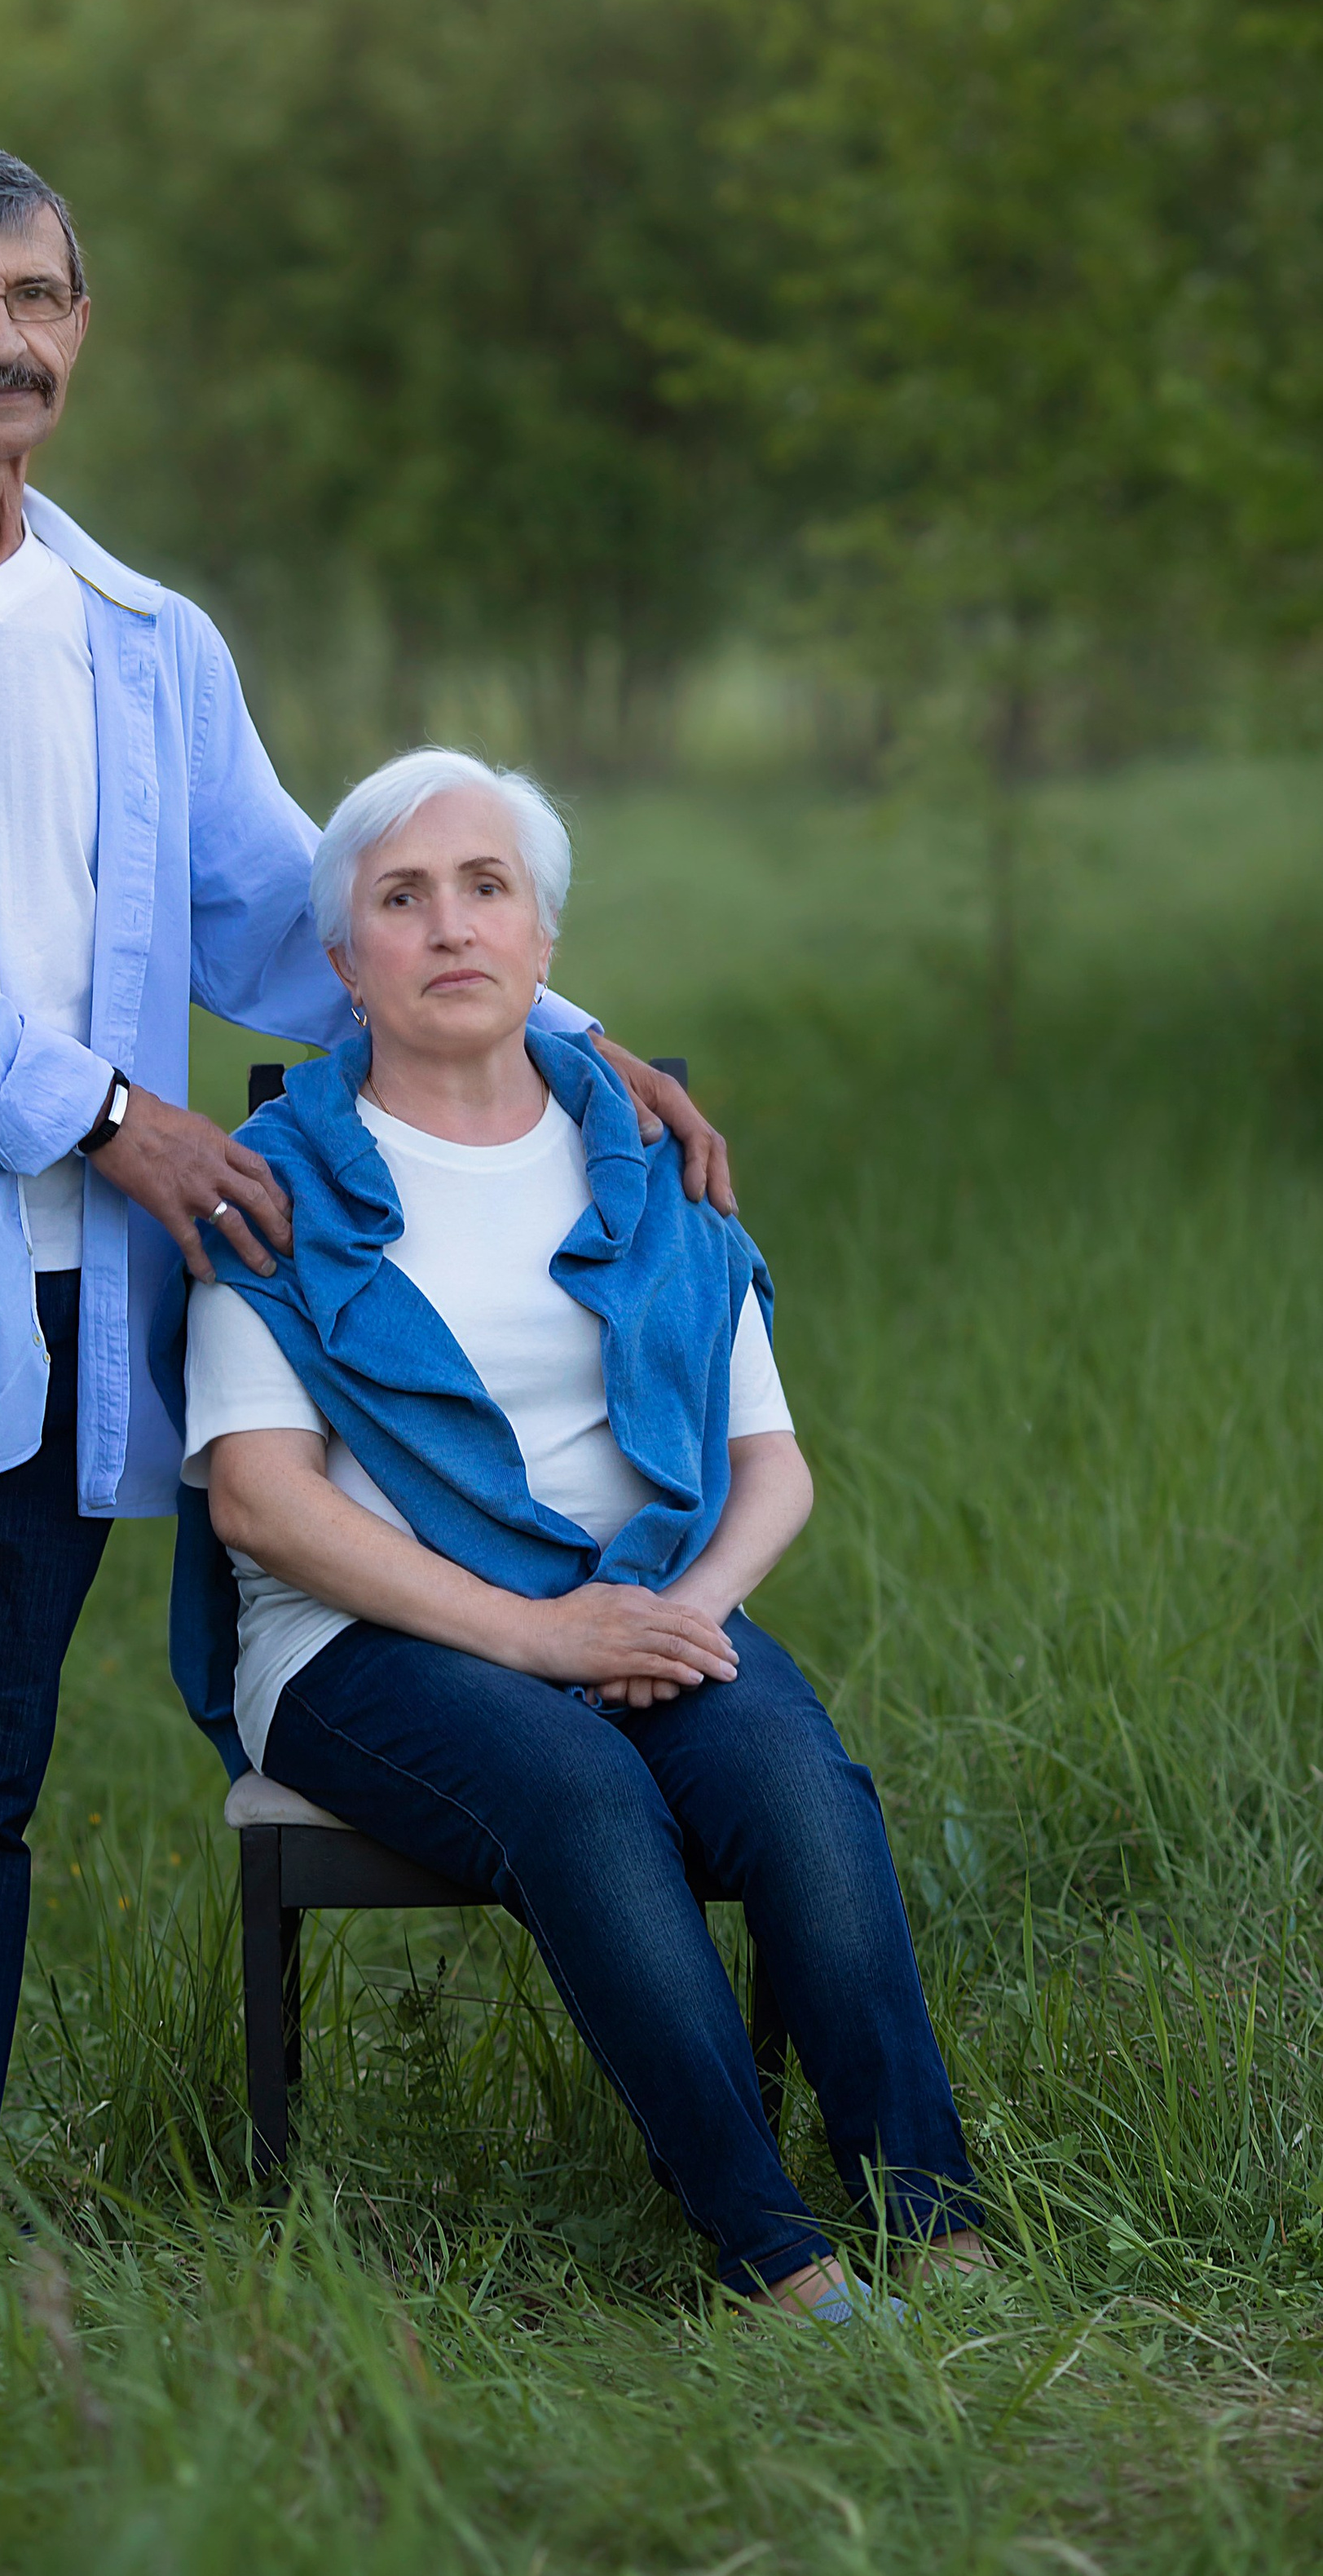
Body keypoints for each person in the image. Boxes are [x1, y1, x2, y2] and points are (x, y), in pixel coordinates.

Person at [0, 147, 730, 2287]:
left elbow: (282, 914)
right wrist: (113, 1114)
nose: (3, 339)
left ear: (79, 327)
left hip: (72, 1324)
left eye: (38, 295)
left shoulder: (147, 639)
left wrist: (578, 1032)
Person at [176, 746, 988, 2317]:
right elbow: (262, 1502)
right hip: (365, 1639)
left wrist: (685, 1616)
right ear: (343, 962)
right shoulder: (279, 1182)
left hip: (647, 1602)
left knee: (796, 1783)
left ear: (546, 940)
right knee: (581, 1789)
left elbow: (774, 1469)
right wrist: (544, 1640)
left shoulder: (649, 1159)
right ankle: (774, 2255)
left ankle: (932, 2218)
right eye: (402, 900)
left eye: (488, 888)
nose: (452, 927)